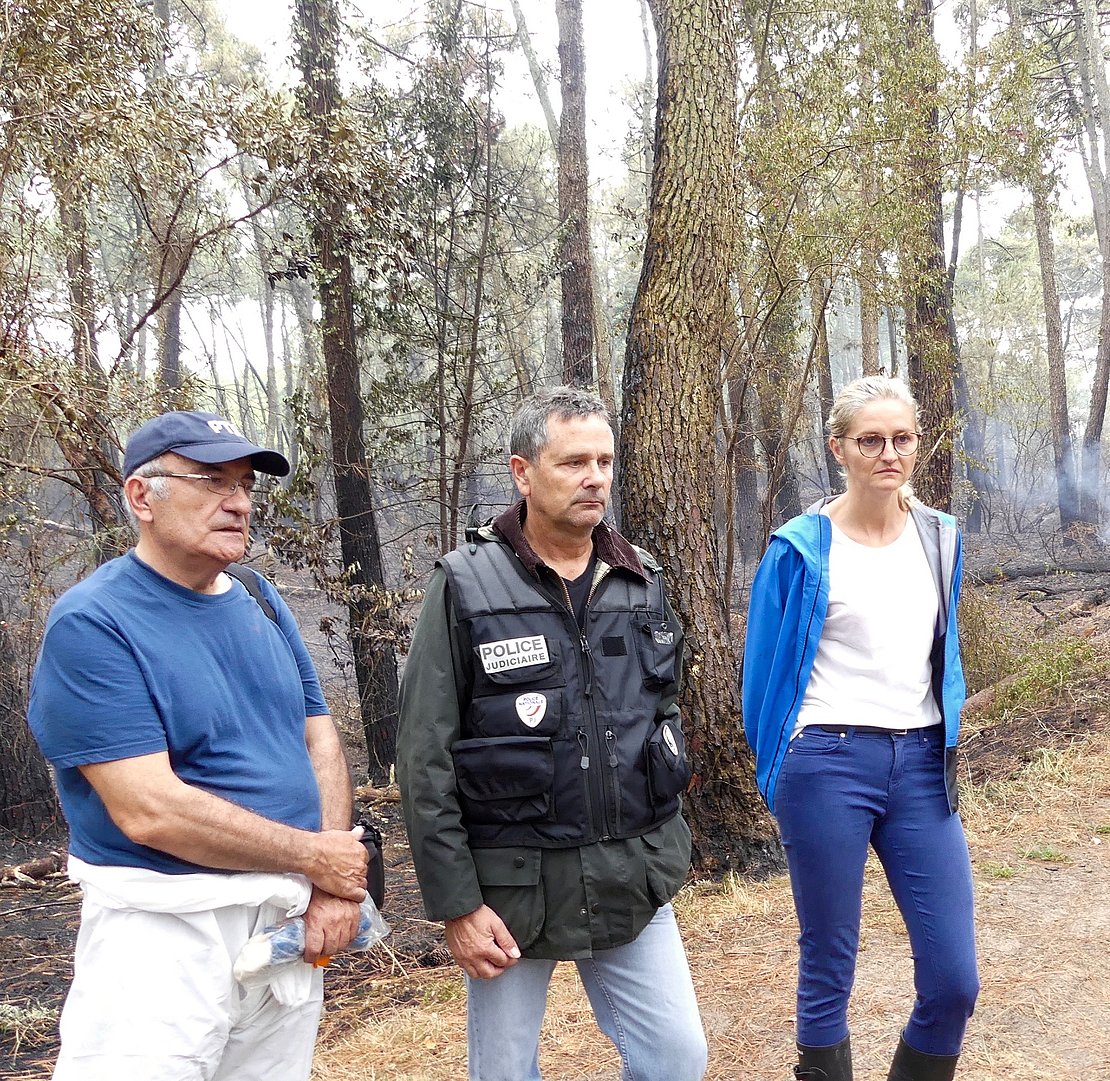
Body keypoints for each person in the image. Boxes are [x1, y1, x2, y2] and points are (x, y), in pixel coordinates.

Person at [28, 410, 370, 1081]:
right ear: (140, 496)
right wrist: (318, 856)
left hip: (282, 926)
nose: (239, 501)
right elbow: (148, 809)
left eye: (244, 484)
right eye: (212, 481)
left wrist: (329, 887)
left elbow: (318, 736)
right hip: (162, 938)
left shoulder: (258, 596)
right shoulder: (93, 624)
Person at [396, 386, 708, 1081]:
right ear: (522, 471)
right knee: (504, 1073)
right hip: (512, 888)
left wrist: (666, 839)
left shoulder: (639, 577)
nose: (594, 477)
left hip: (629, 873)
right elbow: (423, 758)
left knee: (677, 1059)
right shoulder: (466, 586)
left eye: (604, 460)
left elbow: (662, 715)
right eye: (572, 462)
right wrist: (457, 904)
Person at [742, 376, 980, 1081]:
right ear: (838, 448)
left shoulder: (940, 537)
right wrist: (781, 769)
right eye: (870, 439)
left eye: (901, 438)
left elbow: (945, 649)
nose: (888, 453)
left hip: (921, 765)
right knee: (829, 962)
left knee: (954, 978)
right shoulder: (799, 547)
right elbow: (761, 677)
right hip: (826, 763)